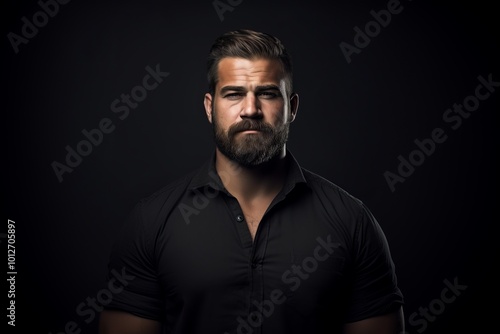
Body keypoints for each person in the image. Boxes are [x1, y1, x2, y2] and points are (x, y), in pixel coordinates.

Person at [99, 29, 405, 334]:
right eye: (234, 94)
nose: (250, 110)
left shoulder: (352, 222)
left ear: (292, 108)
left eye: (268, 93)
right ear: (209, 107)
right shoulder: (151, 222)